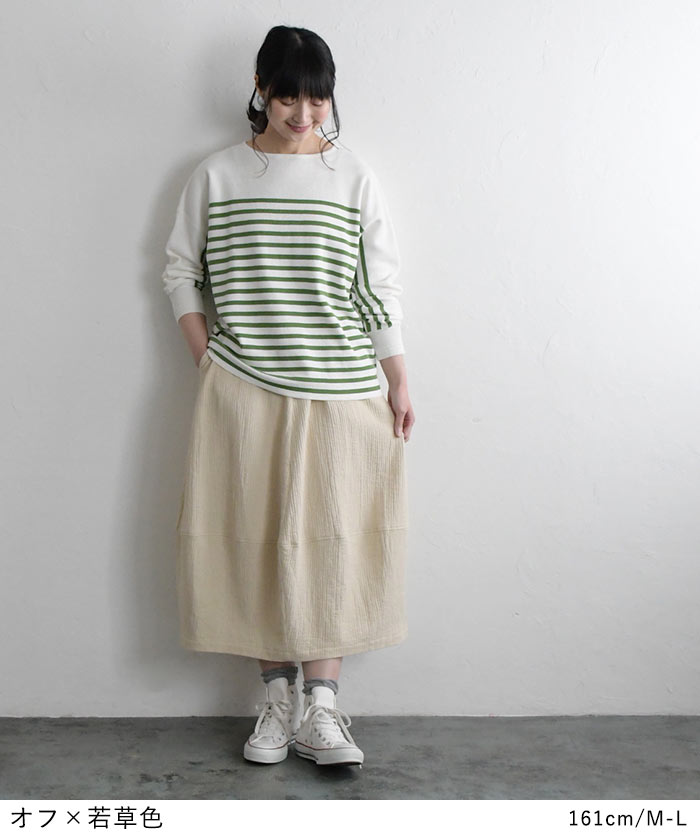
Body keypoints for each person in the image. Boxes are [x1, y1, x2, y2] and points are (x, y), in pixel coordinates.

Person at [161, 25, 415, 768]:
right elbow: (180, 272)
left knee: (334, 539)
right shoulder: (218, 174)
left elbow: (377, 285)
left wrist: (399, 375)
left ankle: (323, 711)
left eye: (318, 99)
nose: (304, 114)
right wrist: (209, 360)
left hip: (343, 391)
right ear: (260, 89)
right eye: (287, 98)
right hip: (243, 388)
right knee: (255, 534)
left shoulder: (352, 176)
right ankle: (277, 702)